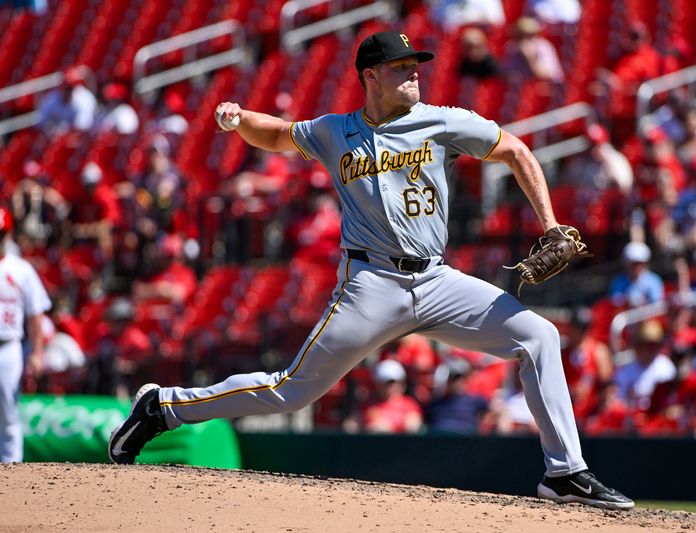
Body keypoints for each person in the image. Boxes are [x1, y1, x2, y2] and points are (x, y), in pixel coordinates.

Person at [108, 31, 633, 509]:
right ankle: (165, 405)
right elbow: (279, 135)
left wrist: (550, 222)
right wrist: (241, 119)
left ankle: (565, 473)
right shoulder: (337, 131)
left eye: (416, 66)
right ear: (371, 76)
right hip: (371, 283)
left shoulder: (442, 119)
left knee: (538, 335)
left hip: (436, 280)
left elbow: (516, 150)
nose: (414, 74)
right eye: (402, 67)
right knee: (292, 390)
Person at [0, 207, 52, 462]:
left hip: (8, 346)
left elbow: (35, 315)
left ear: (8, 234)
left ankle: (11, 470)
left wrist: (38, 352)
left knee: (8, 409)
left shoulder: (21, 269)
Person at [609, 241, 664, 307]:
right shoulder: (618, 282)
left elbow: (657, 305)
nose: (637, 267)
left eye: (639, 263)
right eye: (634, 264)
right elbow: (615, 303)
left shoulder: (654, 281)